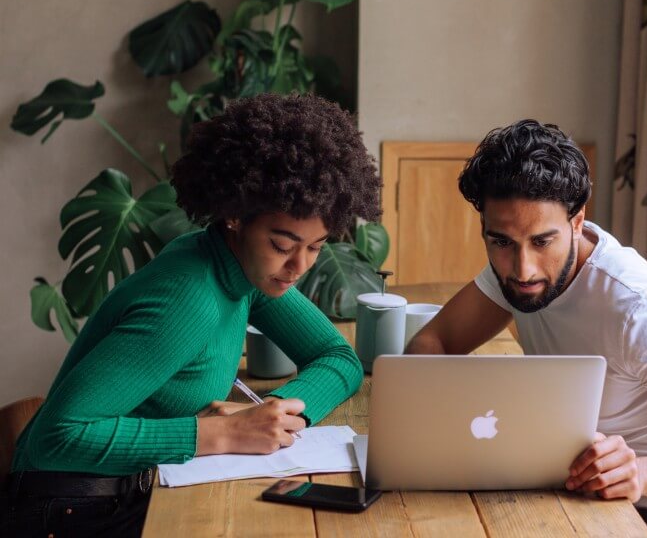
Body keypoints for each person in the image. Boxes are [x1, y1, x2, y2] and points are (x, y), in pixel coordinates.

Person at [6, 93, 381, 536]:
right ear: (235, 217)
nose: (298, 267)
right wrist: (222, 435)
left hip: (139, 488)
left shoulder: (246, 273)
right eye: (283, 245)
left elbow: (338, 357)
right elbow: (56, 438)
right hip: (71, 509)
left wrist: (285, 411)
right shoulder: (188, 298)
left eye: (315, 247)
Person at [406, 119, 647, 537]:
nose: (523, 269)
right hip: (585, 501)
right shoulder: (513, 271)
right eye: (501, 242)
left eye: (542, 242)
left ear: (578, 221)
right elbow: (434, 340)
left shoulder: (644, 310)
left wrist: (641, 473)